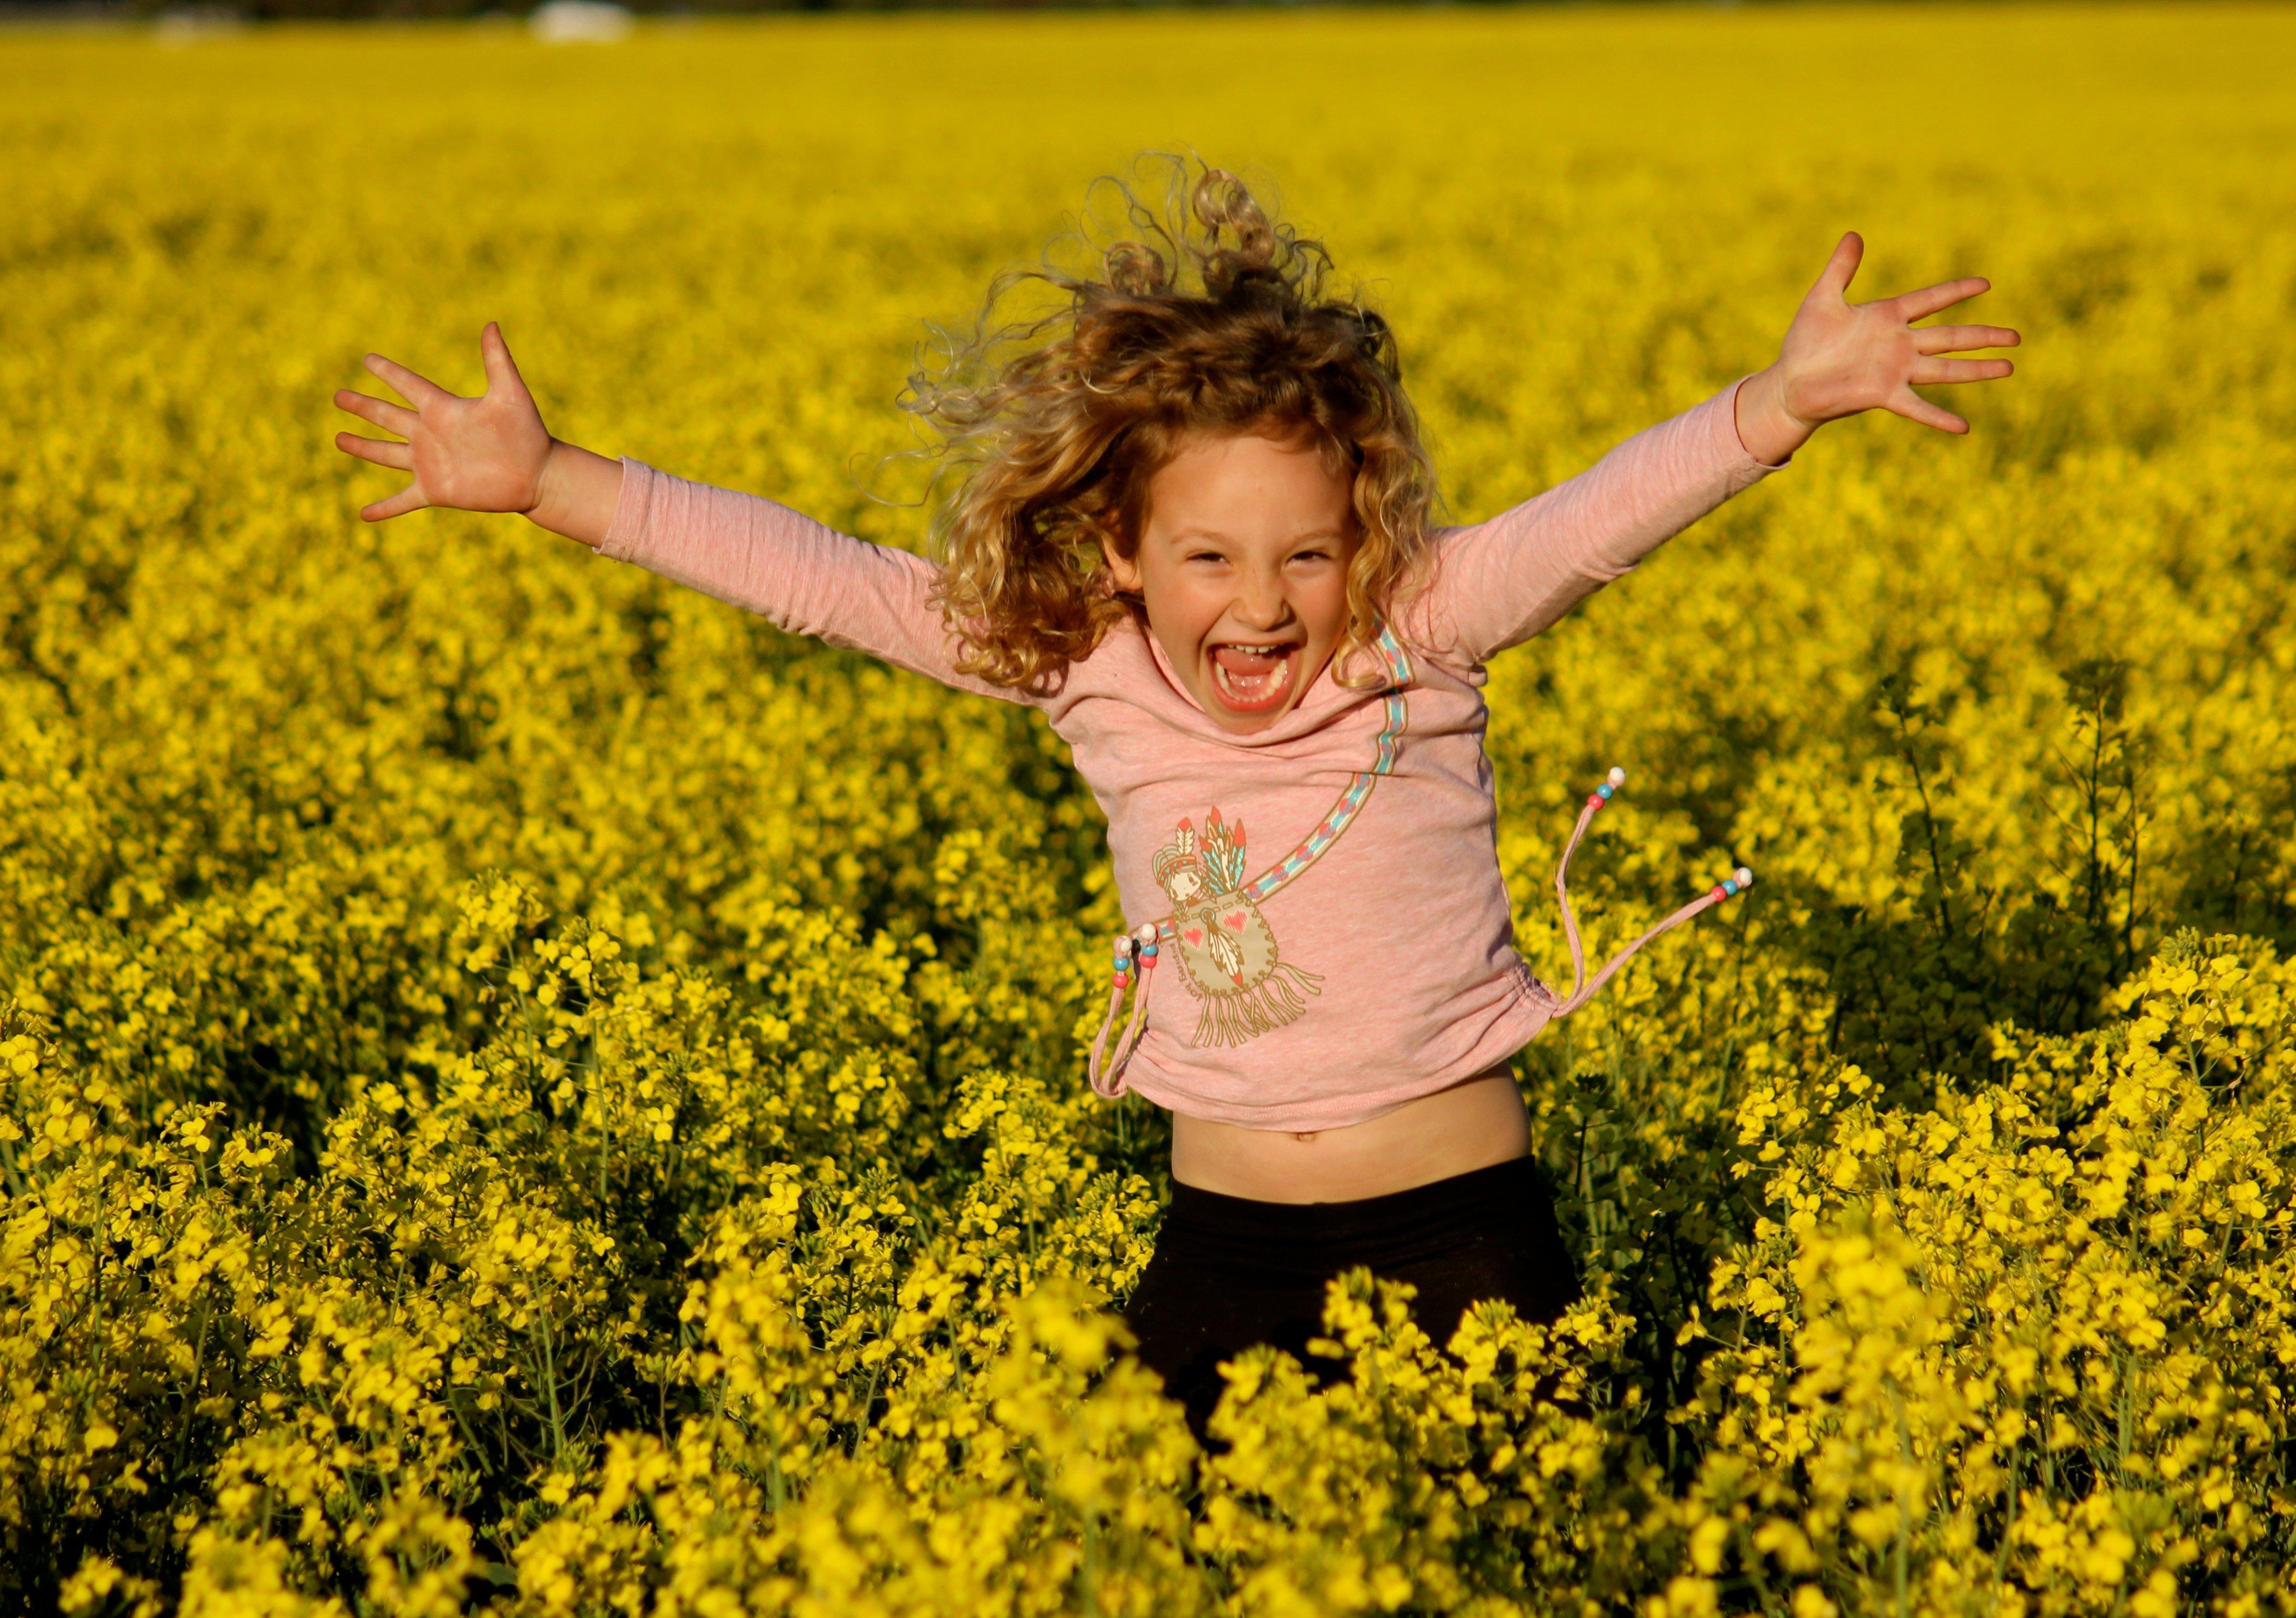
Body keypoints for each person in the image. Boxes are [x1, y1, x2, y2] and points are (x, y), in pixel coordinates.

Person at [331, 162, 2017, 1435]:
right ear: (1125, 554)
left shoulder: (1421, 633)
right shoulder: (1084, 665)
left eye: (1307, 550)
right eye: (1207, 556)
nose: (1263, 600)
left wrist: (1777, 408)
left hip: (1462, 1244)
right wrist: (554, 483)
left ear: (1370, 541)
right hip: (1218, 1251)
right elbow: (829, 582)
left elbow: (1592, 518)